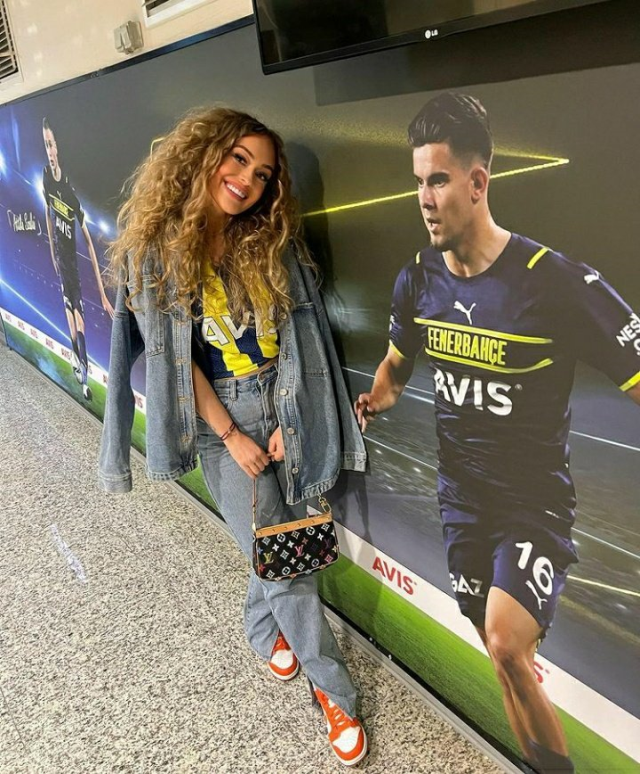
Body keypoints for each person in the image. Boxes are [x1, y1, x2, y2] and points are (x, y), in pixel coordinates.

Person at [355, 92, 640, 774]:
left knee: (507, 641)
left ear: (478, 182)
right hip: (463, 504)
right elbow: (397, 365)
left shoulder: (555, 283)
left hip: (533, 503)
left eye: (439, 180)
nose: (425, 199)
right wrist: (376, 398)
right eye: (418, 182)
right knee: (500, 654)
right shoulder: (417, 281)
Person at [98, 107, 368, 766]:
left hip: (283, 402)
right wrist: (232, 433)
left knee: (277, 545)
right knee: (287, 564)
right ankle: (335, 692)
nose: (248, 180)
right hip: (220, 418)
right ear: (204, 156)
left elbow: (300, 338)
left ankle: (260, 630)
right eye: (238, 159)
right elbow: (171, 360)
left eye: (264, 173)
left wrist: (290, 417)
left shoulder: (268, 241)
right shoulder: (156, 250)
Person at [42, 117, 114, 400]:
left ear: (57, 147)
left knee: (79, 324)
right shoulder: (46, 179)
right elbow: (48, 215)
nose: (49, 150)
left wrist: (103, 295)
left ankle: (83, 374)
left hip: (72, 268)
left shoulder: (70, 195)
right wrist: (52, 253)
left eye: (51, 144)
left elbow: (90, 246)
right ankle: (81, 373)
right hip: (63, 267)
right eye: (45, 144)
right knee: (72, 323)